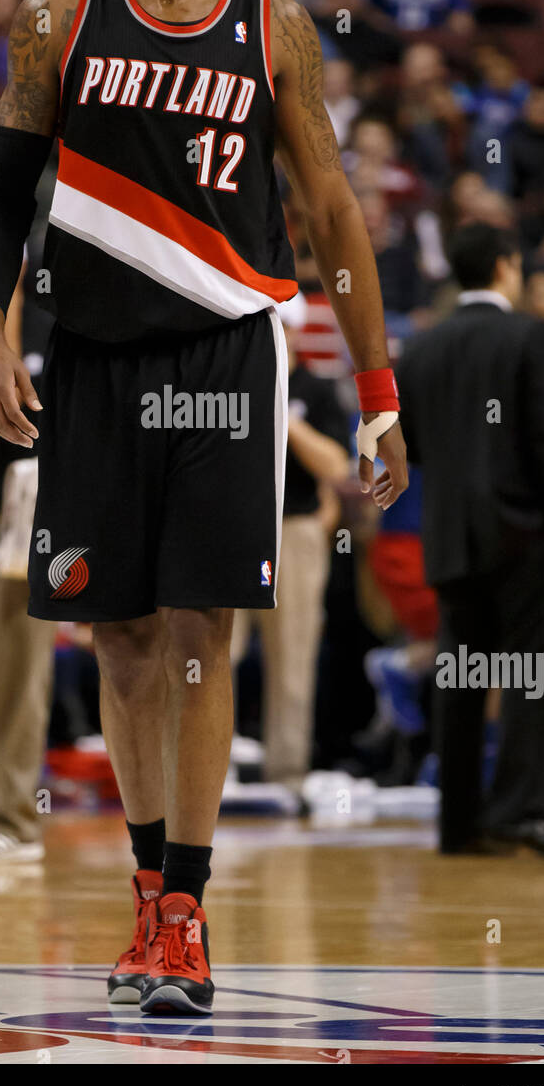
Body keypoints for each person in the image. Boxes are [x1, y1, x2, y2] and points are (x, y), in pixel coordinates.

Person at [0, 0, 407, 1015]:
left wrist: (375, 397)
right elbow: (3, 189)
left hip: (225, 347)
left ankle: (187, 912)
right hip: (95, 357)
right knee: (117, 633)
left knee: (199, 623)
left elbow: (329, 209)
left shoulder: (275, 29)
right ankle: (148, 886)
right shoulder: (59, 13)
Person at [396, 221, 544, 859]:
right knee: (529, 674)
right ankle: (522, 815)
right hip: (525, 532)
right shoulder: (529, 336)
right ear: (507, 265)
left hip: (450, 534)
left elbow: (414, 448)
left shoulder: (420, 348)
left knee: (459, 676)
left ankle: (458, 826)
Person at [230, 295, 349, 789]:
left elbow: (338, 467)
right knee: (214, 651)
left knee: (293, 656)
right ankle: (213, 772)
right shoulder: (231, 384)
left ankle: (288, 775)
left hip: (294, 531)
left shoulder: (316, 392)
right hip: (234, 527)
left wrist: (284, 414)